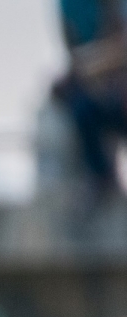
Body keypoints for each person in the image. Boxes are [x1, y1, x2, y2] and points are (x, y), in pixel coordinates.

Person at [52, 0, 127, 196]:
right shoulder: (69, 6)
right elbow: (75, 54)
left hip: (117, 89)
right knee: (81, 107)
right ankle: (101, 178)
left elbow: (119, 44)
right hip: (99, 93)